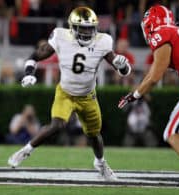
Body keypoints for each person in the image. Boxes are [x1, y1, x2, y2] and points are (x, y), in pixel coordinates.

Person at [7, 6, 131, 181]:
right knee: (57, 125)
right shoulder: (61, 37)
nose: (88, 32)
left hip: (88, 96)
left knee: (94, 134)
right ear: (72, 27)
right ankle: (26, 150)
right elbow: (36, 55)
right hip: (65, 92)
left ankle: (100, 163)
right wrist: (28, 73)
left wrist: (122, 65)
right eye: (83, 28)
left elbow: (123, 71)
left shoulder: (103, 41)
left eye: (90, 28)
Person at [118, 5, 179, 186]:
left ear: (150, 23)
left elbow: (155, 77)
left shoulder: (162, 33)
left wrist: (135, 95)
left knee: (171, 131)